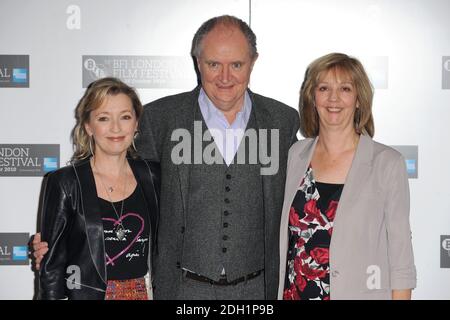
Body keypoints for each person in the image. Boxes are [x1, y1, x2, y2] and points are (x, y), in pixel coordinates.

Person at [33, 15, 299, 300]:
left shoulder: (281, 121)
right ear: (198, 63)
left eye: (236, 64)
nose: (225, 77)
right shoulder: (159, 119)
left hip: (258, 291)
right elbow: (120, 188)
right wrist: (59, 245)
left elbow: (305, 198)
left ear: (253, 62)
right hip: (181, 290)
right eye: (213, 64)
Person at [278, 53, 416, 300]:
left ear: (359, 99)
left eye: (344, 88)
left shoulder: (387, 163)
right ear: (312, 97)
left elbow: (401, 257)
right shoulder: (295, 155)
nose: (333, 98)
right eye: (324, 88)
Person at [38, 77, 160, 300]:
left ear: (136, 124)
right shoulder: (66, 182)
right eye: (104, 118)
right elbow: (51, 265)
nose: (116, 128)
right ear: (88, 126)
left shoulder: (154, 176)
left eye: (125, 117)